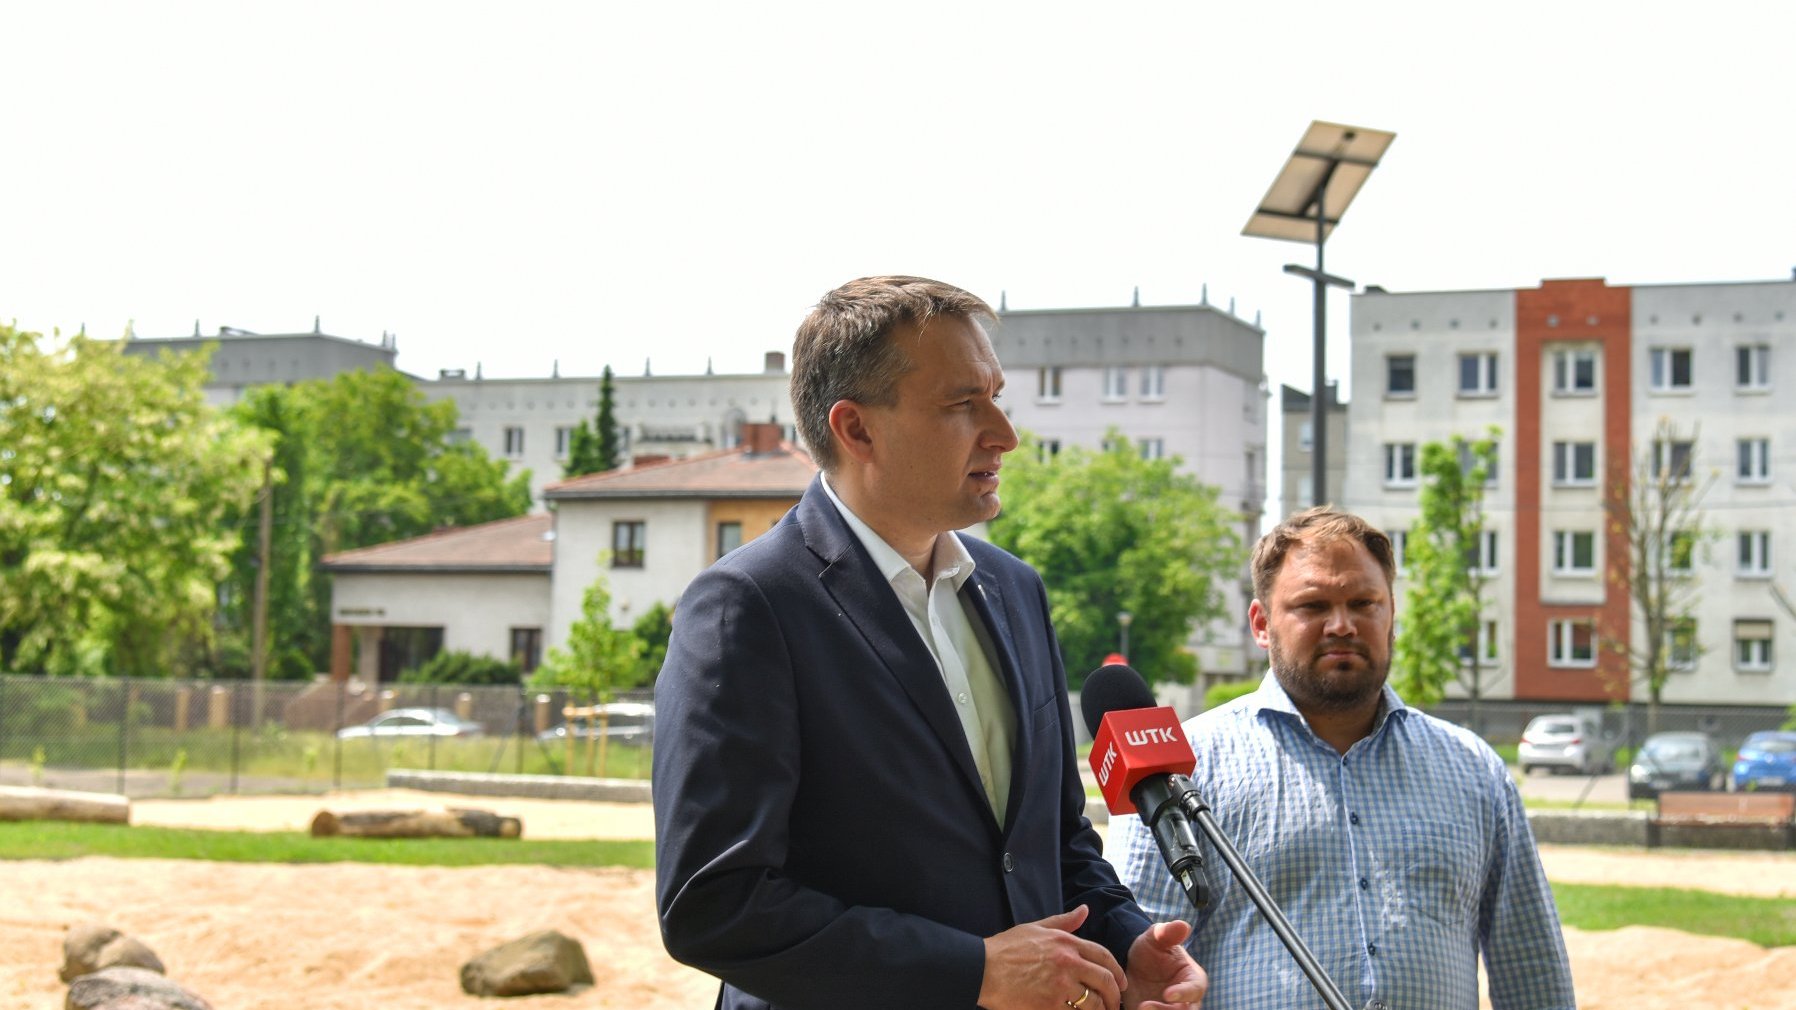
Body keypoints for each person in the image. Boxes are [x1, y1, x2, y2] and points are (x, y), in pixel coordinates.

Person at [653, 276, 1207, 1010]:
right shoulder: (747, 608)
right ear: (855, 429)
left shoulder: (1016, 591)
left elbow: (1054, 842)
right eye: (960, 404)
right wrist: (970, 971)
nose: (1004, 433)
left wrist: (1123, 939)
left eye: (996, 395)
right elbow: (712, 906)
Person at [1112, 506, 1575, 1010]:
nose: (1342, 625)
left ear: (1392, 615)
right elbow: (1142, 953)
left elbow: (1531, 966)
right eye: (1313, 606)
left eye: (1363, 603)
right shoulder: (1180, 767)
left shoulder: (1475, 769)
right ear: (1261, 623)